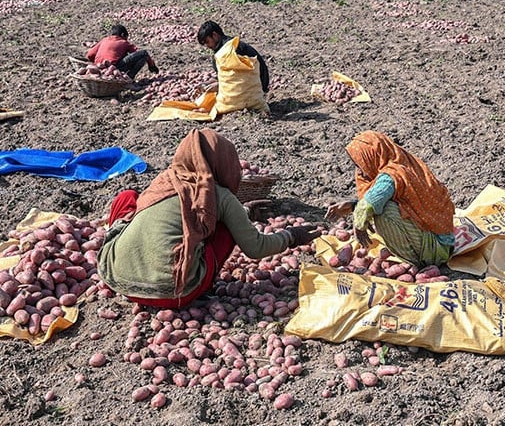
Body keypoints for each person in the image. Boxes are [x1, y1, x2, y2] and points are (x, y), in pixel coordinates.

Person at [98, 128, 321, 308]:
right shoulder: (217, 195)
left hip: (116, 278)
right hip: (175, 293)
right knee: (225, 227)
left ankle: (128, 261)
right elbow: (256, 248)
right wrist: (291, 236)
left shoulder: (165, 180)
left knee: (127, 198)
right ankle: (191, 279)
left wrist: (245, 212)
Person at [325, 131, 455, 270]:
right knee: (380, 206)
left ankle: (416, 262)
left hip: (437, 248)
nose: (360, 173)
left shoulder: (391, 174)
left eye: (360, 165)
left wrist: (359, 224)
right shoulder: (399, 162)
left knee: (383, 212)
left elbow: (370, 203)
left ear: (372, 156)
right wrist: (353, 206)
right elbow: (387, 199)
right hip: (441, 240)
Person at [197, 20, 269, 94]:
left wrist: (219, 86)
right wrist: (206, 84)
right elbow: (226, 75)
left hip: (256, 85)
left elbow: (239, 76)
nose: (207, 46)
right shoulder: (222, 50)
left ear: (215, 35)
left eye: (207, 42)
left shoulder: (232, 49)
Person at [86, 24, 159, 80]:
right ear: (123, 35)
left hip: (99, 68)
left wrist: (97, 64)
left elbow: (89, 55)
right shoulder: (124, 42)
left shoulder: (104, 40)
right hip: (114, 68)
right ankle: (129, 78)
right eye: (126, 37)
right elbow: (138, 53)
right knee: (144, 54)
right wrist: (151, 65)